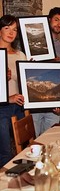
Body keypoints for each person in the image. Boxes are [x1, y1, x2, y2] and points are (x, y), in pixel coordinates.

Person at [32, 7, 60, 136]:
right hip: (34, 104)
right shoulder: (34, 45)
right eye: (56, 20)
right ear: (49, 20)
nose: (59, 24)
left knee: (52, 141)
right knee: (33, 144)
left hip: (54, 107)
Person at [0, 15, 26, 167]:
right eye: (6, 28)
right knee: (5, 153)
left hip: (19, 107)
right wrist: (8, 98)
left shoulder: (20, 55)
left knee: (22, 150)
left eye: (15, 29)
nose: (11, 32)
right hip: (2, 108)